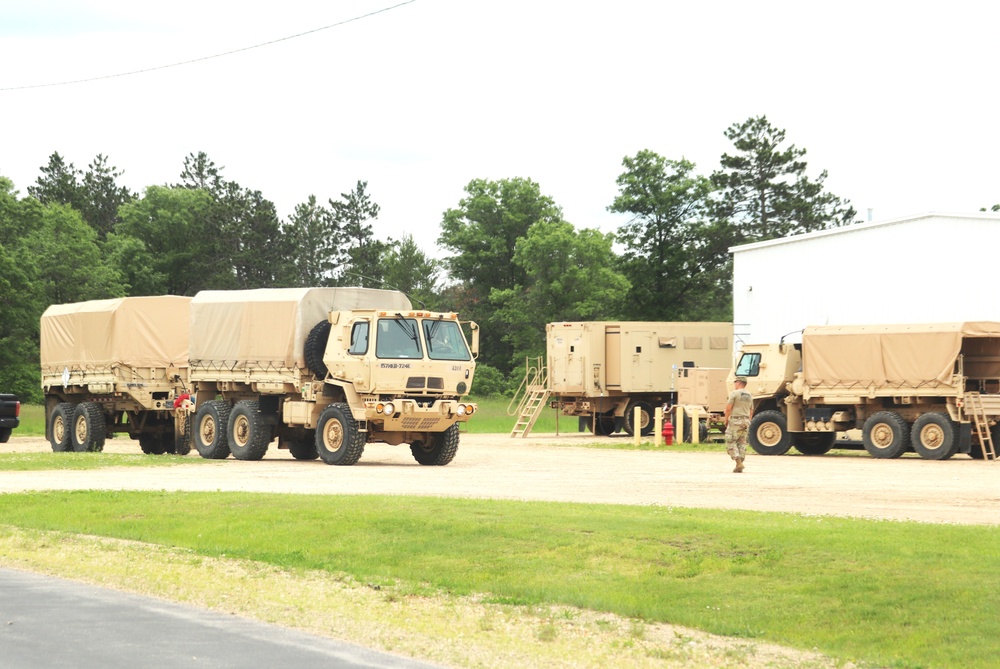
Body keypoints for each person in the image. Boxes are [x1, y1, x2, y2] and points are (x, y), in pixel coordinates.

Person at [724, 377, 754, 473]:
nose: (734, 384)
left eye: (735, 382)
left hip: (736, 420)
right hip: (745, 420)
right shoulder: (749, 395)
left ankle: (738, 462)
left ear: (739, 383)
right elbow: (751, 409)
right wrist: (748, 420)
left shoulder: (734, 393)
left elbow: (728, 408)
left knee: (730, 440)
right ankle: (741, 461)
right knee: (742, 441)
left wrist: (726, 419)